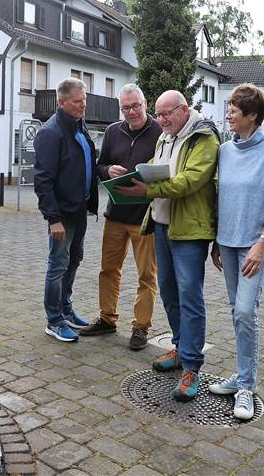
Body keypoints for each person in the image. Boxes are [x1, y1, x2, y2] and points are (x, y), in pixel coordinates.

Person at [115, 90, 219, 402]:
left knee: (190, 297)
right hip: (162, 225)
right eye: (158, 115)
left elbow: (189, 181)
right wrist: (133, 174)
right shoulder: (165, 137)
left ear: (185, 109)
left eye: (166, 114)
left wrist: (148, 189)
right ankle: (179, 347)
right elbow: (156, 165)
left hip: (189, 232)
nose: (160, 120)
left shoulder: (204, 139)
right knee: (170, 294)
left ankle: (191, 366)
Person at [209, 84, 264, 419]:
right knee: (235, 311)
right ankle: (241, 375)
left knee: (245, 311)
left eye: (233, 109)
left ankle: (246, 386)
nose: (228, 113)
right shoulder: (226, 150)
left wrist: (263, 243)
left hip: (256, 244)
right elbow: (222, 197)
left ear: (253, 115)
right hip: (227, 242)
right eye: (227, 107)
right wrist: (216, 240)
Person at [79, 84, 161, 350]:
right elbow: (99, 165)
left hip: (146, 217)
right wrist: (107, 171)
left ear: (145, 103)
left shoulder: (160, 132)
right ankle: (107, 318)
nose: (131, 111)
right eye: (125, 107)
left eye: (135, 105)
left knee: (147, 275)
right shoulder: (114, 131)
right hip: (115, 214)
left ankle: (140, 327)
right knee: (108, 270)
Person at [33, 78, 99, 343]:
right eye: (77, 101)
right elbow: (43, 180)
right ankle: (54, 320)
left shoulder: (79, 126)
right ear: (61, 102)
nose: (83, 105)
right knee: (58, 265)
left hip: (79, 210)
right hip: (62, 215)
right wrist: (53, 219)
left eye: (84, 100)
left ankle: (66, 308)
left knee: (74, 260)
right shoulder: (51, 133)